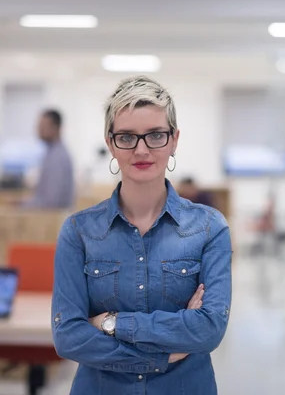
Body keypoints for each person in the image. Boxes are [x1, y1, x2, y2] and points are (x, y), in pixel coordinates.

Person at [51, 76, 233, 394]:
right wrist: (163, 356)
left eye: (155, 136)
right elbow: (68, 336)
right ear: (110, 143)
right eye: (127, 137)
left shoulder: (209, 227)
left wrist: (111, 322)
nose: (141, 150)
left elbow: (209, 330)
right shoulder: (79, 231)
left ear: (174, 139)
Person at [23, 109, 74, 209]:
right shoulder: (51, 153)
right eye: (39, 126)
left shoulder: (57, 157)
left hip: (52, 219)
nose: (39, 130)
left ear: (56, 128)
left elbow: (51, 203)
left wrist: (25, 206)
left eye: (43, 126)